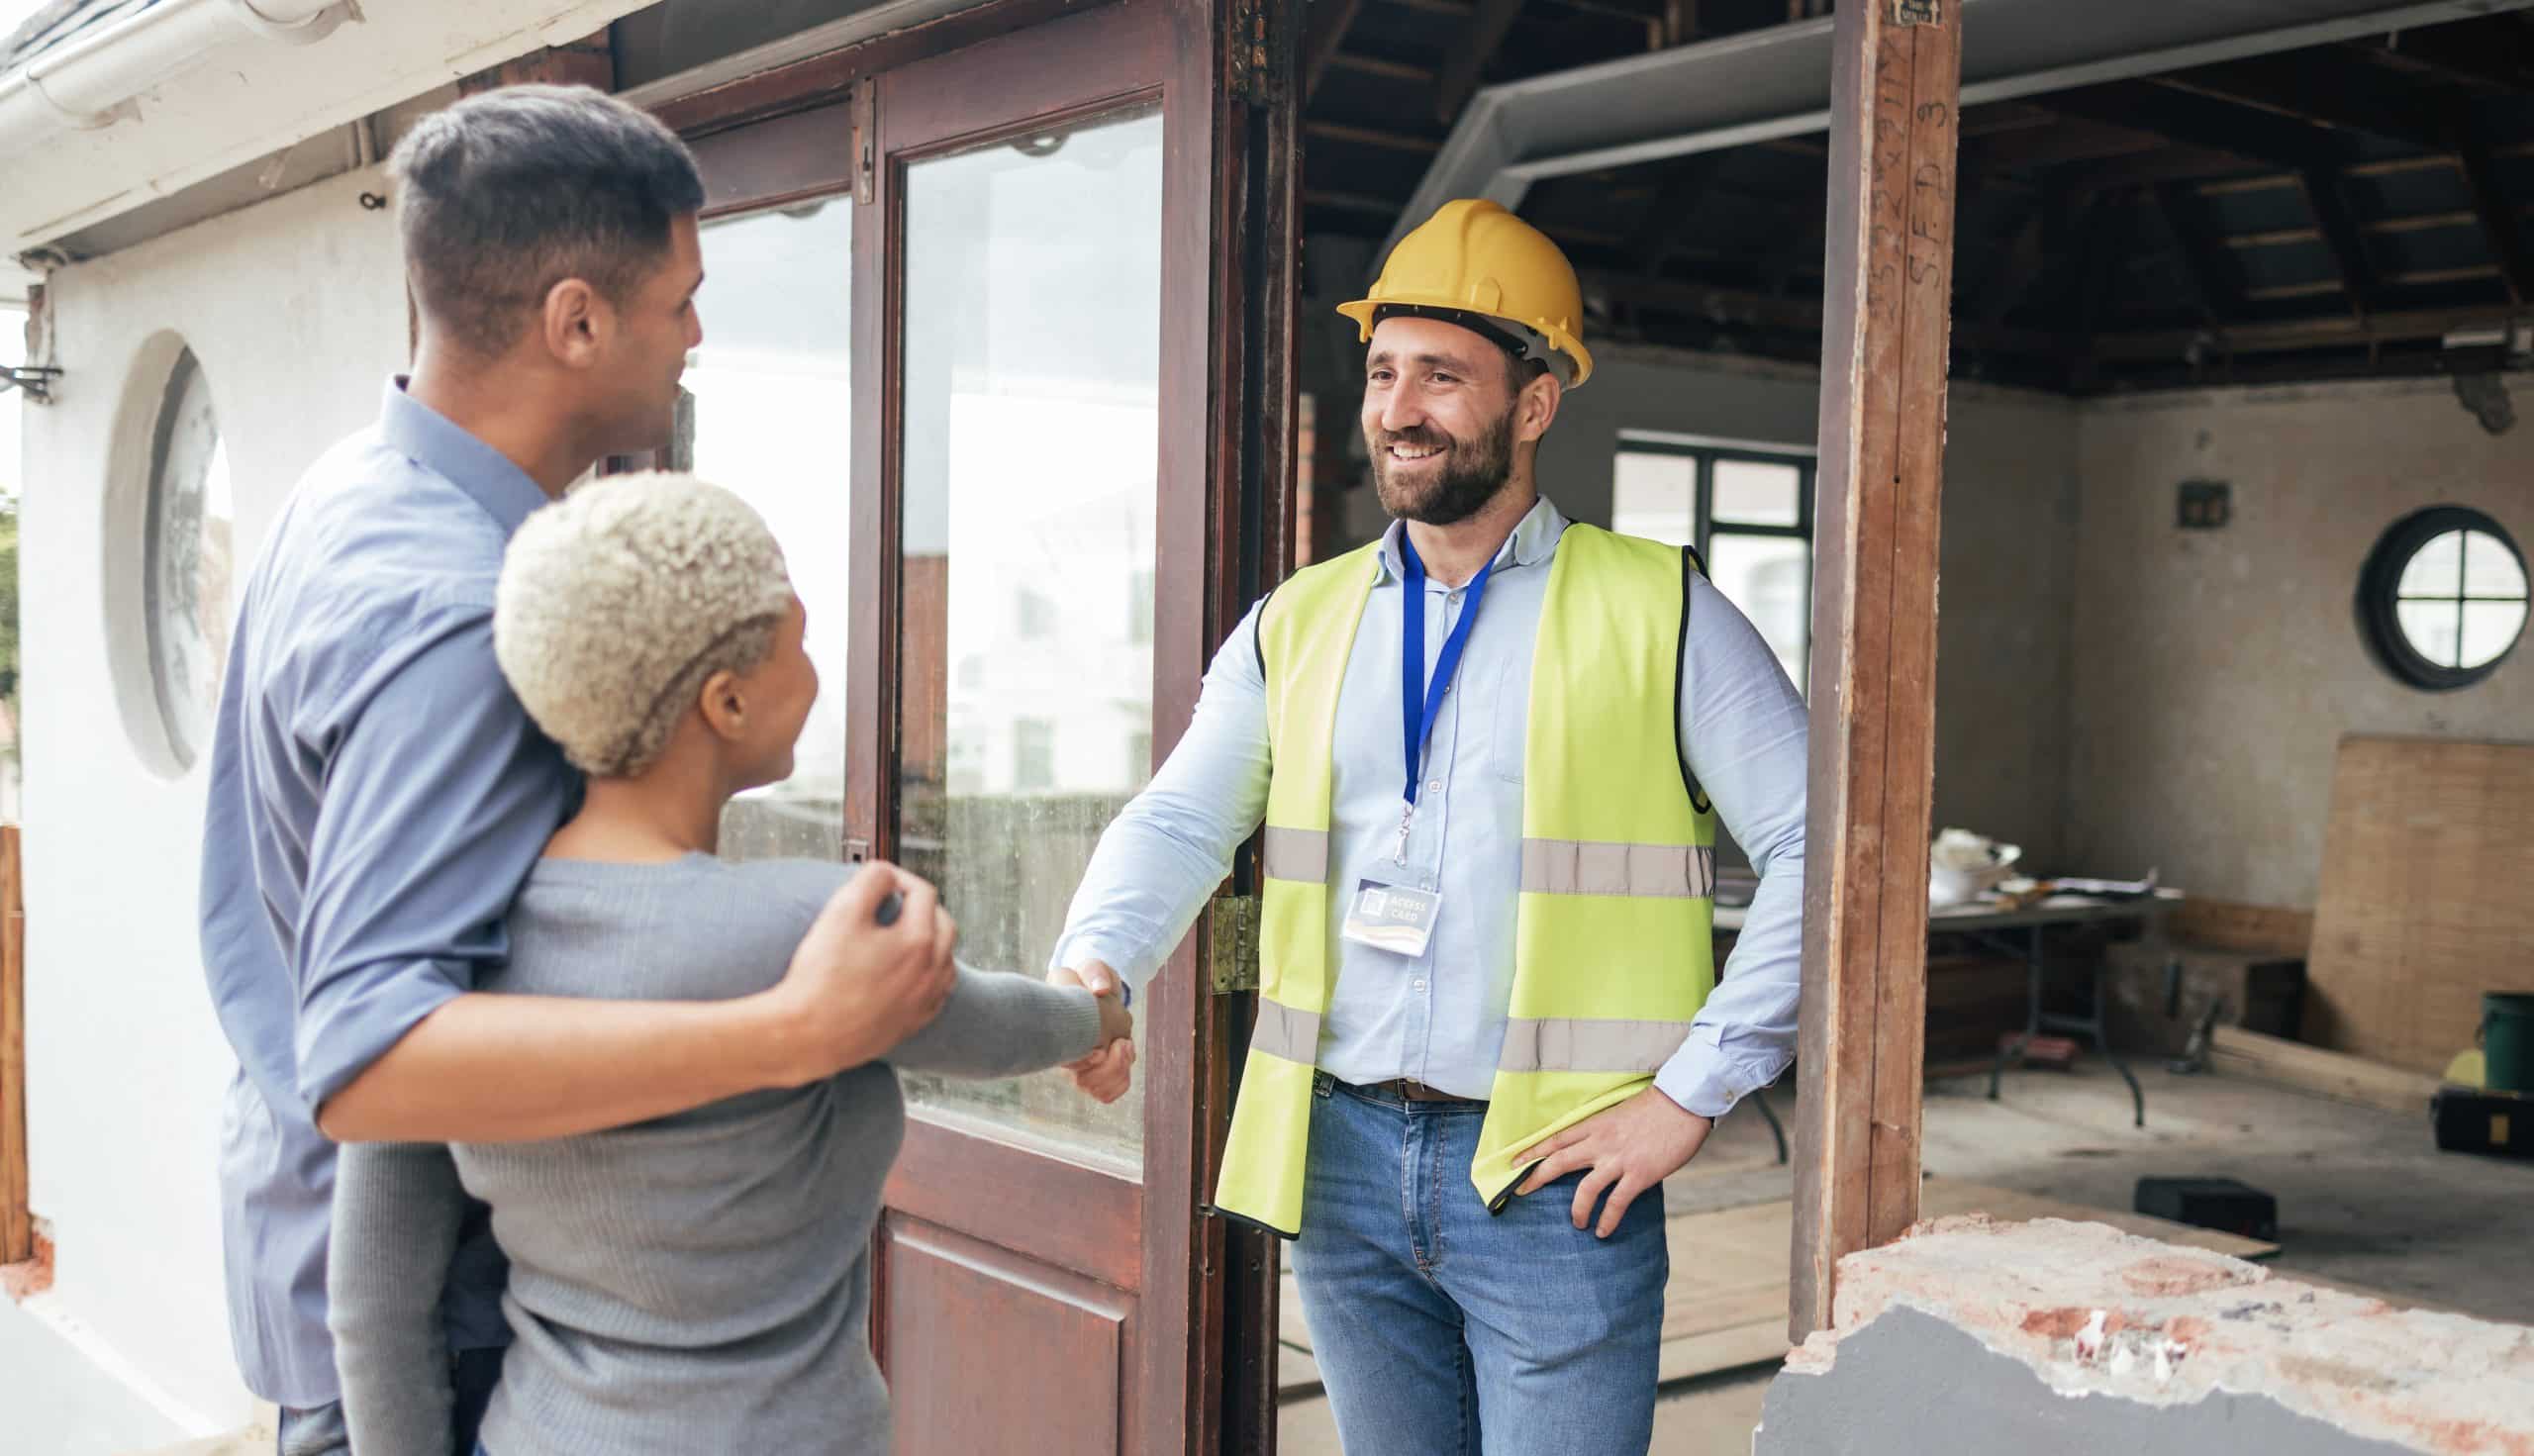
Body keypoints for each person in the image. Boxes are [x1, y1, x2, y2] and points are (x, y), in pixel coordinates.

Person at [197, 87, 958, 1456]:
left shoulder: (342, 495)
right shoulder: (457, 615)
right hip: (428, 1342)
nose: (698, 336)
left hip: (322, 1264)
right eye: (681, 297)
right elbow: (371, 1058)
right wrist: (794, 1028)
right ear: (576, 318)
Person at [1047, 198, 1809, 1454]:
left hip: (1557, 1172)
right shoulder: (1298, 618)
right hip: (1340, 1152)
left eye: (1443, 376)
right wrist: (1098, 961)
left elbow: (1816, 851)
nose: (1400, 407)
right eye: (1383, 371)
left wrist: (1696, 1087)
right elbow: (1183, 814)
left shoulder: (1660, 610)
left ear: (1533, 403)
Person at [327, 474, 1134, 1456]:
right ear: (727, 697)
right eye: (795, 635)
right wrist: (1095, 1011)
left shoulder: (449, 957)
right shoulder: (817, 928)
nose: (817, 668)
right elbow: (999, 1028)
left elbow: (373, 1299)